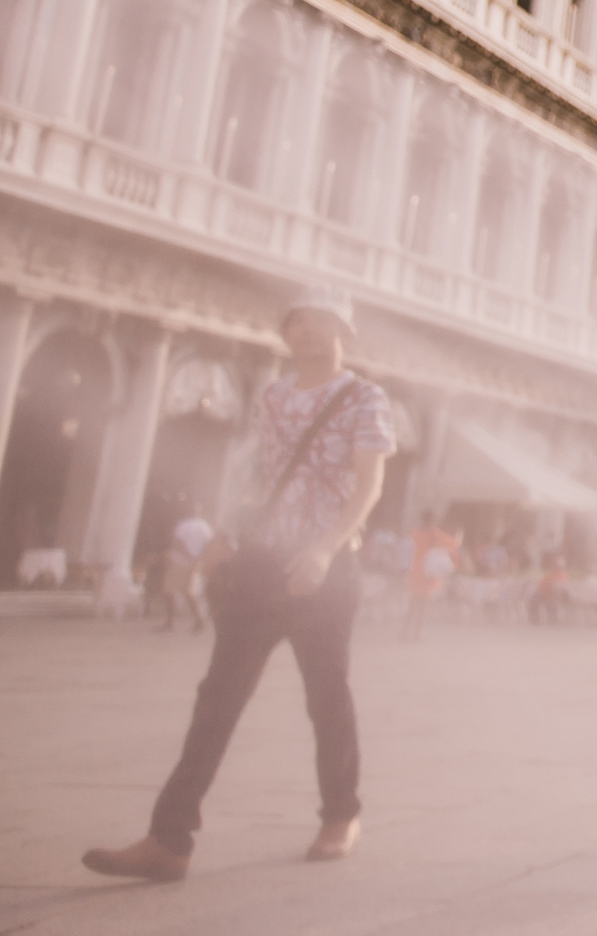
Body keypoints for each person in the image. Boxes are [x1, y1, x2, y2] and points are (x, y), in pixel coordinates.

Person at [83, 291, 395, 880]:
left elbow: (368, 486)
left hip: (325, 569)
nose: (304, 331)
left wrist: (326, 549)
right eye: (295, 322)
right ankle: (169, 838)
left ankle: (340, 814)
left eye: (319, 322)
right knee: (216, 699)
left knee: (325, 696)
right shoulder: (275, 395)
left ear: (343, 333)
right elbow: (259, 471)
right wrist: (228, 531)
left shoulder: (365, 398)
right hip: (262, 561)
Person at [403, 518, 459, 644]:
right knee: (424, 605)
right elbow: (453, 544)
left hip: (416, 571)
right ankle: (417, 632)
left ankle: (406, 631)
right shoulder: (435, 535)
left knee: (413, 603)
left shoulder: (415, 533)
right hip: (429, 572)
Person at [158, 507, 213, 633]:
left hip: (179, 561)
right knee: (189, 592)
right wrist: (198, 557)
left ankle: (170, 622)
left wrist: (188, 554)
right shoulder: (205, 527)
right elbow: (209, 545)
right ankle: (199, 620)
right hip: (195, 563)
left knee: (169, 591)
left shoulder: (183, 525)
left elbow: (177, 542)